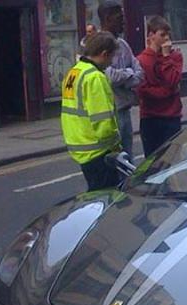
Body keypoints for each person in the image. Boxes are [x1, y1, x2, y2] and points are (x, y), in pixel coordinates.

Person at [61, 31, 122, 192]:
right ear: (104, 54)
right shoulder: (95, 77)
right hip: (98, 150)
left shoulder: (74, 72)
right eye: (111, 57)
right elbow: (103, 121)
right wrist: (116, 146)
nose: (111, 63)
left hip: (80, 146)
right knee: (107, 198)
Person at [98, 0, 144, 159]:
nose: (124, 21)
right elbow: (108, 76)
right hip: (109, 116)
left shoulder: (123, 44)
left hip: (125, 112)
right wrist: (129, 73)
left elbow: (140, 74)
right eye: (119, 17)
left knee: (127, 161)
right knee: (114, 163)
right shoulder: (96, 45)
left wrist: (124, 75)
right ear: (107, 18)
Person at [137, 15, 183, 157]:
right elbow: (143, 91)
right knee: (152, 162)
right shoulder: (141, 60)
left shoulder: (174, 57)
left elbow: (172, 80)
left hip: (172, 117)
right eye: (162, 35)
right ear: (151, 36)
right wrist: (169, 91)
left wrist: (165, 57)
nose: (166, 38)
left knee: (172, 161)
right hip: (151, 118)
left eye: (168, 34)